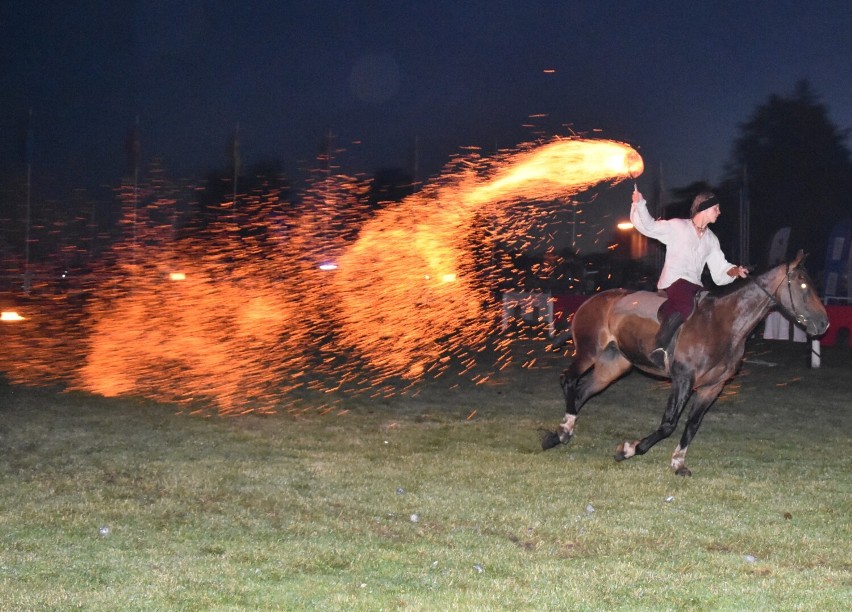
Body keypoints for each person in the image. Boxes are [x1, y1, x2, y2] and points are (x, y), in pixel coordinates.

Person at [630, 187, 748, 368]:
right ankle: (659, 348)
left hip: (694, 285)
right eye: (716, 208)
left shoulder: (711, 239)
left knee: (710, 306)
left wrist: (735, 271)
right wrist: (639, 203)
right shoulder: (677, 226)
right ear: (705, 208)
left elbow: (720, 270)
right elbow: (649, 226)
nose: (719, 212)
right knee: (685, 303)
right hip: (673, 282)